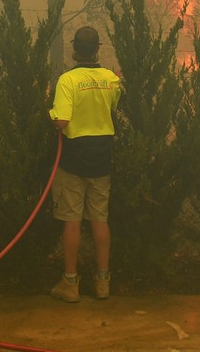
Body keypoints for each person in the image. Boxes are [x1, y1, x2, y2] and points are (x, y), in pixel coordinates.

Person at [48, 26, 122, 303]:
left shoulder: (68, 80)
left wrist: (52, 112)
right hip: (102, 158)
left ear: (74, 49)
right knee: (100, 220)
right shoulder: (111, 79)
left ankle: (70, 284)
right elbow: (112, 107)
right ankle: (103, 282)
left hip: (73, 161)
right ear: (98, 49)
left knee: (72, 222)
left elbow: (62, 122)